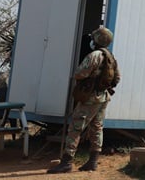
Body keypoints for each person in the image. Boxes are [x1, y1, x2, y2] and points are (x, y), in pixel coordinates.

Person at [48, 26, 121, 174]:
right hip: (103, 97)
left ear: (97, 40)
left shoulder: (94, 55)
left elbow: (79, 74)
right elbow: (117, 78)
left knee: (75, 128)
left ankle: (67, 162)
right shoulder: (111, 57)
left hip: (90, 98)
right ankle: (93, 161)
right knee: (97, 128)